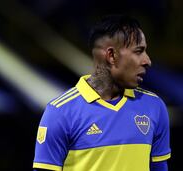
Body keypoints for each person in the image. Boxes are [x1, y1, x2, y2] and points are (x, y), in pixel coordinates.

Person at [32, 14, 171, 171]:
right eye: (139, 51)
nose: (147, 61)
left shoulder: (154, 107)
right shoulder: (61, 112)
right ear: (111, 56)